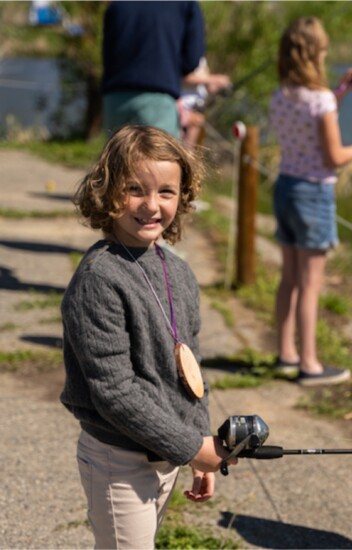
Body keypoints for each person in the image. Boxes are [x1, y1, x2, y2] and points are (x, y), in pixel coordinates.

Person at [59, 125, 236, 549]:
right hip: (117, 459)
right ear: (107, 192)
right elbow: (114, 391)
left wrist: (200, 446)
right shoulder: (100, 279)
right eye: (134, 189)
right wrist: (191, 446)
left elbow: (189, 370)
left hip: (166, 454)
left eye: (166, 192)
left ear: (184, 196)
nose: (151, 205)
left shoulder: (178, 272)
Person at [269, 17, 352, 386]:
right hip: (313, 194)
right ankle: (310, 364)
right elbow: (334, 156)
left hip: (285, 188)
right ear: (315, 53)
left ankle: (286, 354)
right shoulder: (319, 101)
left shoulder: (282, 95)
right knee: (311, 283)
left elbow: (312, 116)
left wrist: (340, 93)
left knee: (289, 279)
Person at [102, 1, 205, 138]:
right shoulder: (185, 4)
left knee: (116, 156)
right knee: (159, 157)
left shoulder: (116, 4)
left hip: (115, 98)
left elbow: (107, 54)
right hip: (158, 97)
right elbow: (192, 59)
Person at [177, 57, 232, 146]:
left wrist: (220, 85)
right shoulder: (183, 53)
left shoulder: (202, 60)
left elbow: (208, 87)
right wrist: (216, 79)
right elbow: (184, 78)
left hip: (197, 110)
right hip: (181, 109)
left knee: (188, 152)